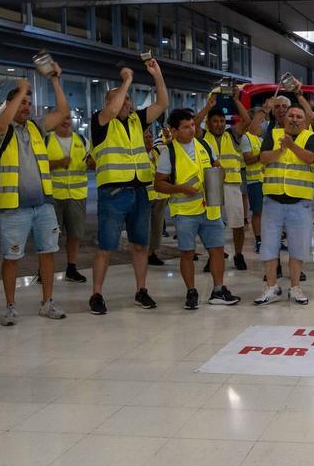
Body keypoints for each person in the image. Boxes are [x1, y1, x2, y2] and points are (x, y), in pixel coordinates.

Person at [88, 58, 169, 315]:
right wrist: (127, 80)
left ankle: (141, 290)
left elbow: (162, 103)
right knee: (106, 247)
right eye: (121, 99)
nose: (126, 103)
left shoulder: (137, 120)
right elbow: (112, 110)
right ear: (108, 102)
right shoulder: (101, 121)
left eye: (128, 100)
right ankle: (97, 294)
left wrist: (157, 75)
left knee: (140, 245)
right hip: (113, 193)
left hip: (139, 192)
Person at [0, 71, 71, 326]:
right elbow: (3, 121)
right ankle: (10, 307)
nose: (26, 106)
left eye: (29, 102)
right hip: (14, 208)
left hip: (43, 205)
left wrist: (55, 81)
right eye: (22, 102)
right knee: (11, 258)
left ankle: (47, 302)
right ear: (9, 105)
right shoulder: (0, 130)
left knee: (48, 253)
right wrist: (21, 91)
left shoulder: (36, 127)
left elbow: (63, 111)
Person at [154, 109, 238, 309]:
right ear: (174, 131)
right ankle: (191, 291)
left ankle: (218, 290)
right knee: (187, 253)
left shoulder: (205, 145)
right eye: (186, 127)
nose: (191, 130)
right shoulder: (168, 153)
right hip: (185, 212)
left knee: (217, 250)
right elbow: (158, 184)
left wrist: (219, 173)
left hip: (210, 209)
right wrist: (180, 188)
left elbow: (217, 167)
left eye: (193, 125)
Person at [253, 104, 314, 305]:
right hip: (272, 201)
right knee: (269, 246)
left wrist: (291, 146)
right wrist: (280, 150)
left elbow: (311, 158)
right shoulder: (273, 135)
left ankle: (295, 287)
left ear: (304, 120)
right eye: (291, 115)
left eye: (299, 116)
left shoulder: (310, 137)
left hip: (299, 203)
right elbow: (263, 158)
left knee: (298, 247)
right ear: (284, 118)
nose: (295, 119)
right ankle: (271, 287)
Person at [195, 90, 253, 270]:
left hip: (232, 184)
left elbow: (247, 121)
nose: (219, 124)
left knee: (238, 223)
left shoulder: (232, 135)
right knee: (212, 223)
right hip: (210, 185)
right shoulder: (203, 137)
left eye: (222, 121)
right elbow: (195, 122)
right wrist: (208, 106)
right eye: (215, 121)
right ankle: (213, 256)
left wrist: (236, 100)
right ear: (209, 123)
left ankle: (238, 254)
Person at [45, 113, 91, 282]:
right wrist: (57, 163)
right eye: (61, 119)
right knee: (49, 236)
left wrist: (93, 163)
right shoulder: (46, 141)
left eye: (67, 118)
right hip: (53, 196)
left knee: (75, 234)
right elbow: (37, 164)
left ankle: (71, 268)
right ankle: (44, 270)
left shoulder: (82, 140)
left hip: (77, 195)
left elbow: (91, 161)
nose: (65, 121)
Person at [240, 108, 267, 253]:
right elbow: (248, 159)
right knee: (257, 212)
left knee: (268, 212)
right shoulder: (246, 138)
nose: (262, 125)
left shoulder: (261, 139)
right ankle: (259, 240)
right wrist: (261, 156)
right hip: (254, 182)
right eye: (261, 121)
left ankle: (269, 239)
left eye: (263, 122)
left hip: (266, 181)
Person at [145, 128, 170, 266]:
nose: (149, 139)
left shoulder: (157, 151)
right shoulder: (138, 155)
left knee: (157, 227)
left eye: (150, 136)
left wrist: (168, 136)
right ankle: (144, 252)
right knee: (145, 227)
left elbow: (171, 144)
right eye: (145, 137)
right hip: (145, 196)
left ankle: (152, 252)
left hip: (160, 196)